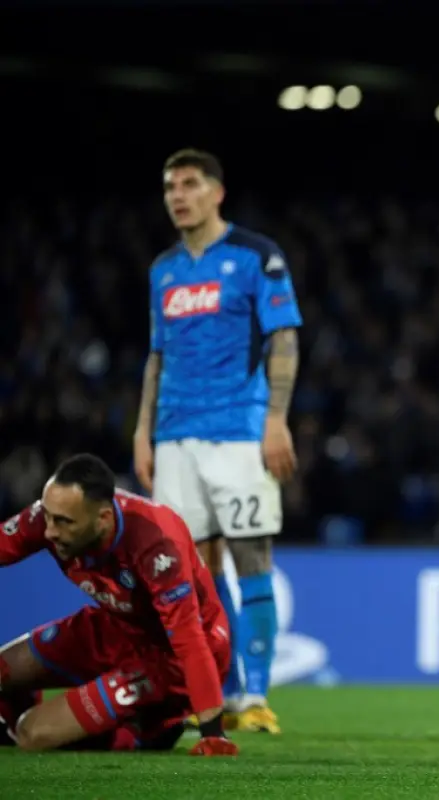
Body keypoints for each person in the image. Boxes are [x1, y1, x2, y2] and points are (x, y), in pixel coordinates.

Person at [132, 148, 303, 733]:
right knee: (195, 571)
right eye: (169, 187)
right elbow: (157, 355)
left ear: (216, 192)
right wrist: (142, 432)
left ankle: (255, 695)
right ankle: (221, 691)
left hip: (238, 429)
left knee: (251, 554)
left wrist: (275, 419)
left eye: (188, 184)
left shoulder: (256, 256)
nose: (177, 195)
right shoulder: (164, 270)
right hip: (175, 434)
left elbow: (283, 339)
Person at [0, 454, 236, 756]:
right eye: (47, 516)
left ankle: (142, 731)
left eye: (63, 522)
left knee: (32, 733)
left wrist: (213, 734)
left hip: (169, 658)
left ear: (104, 519)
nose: (49, 532)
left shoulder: (155, 541)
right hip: (116, 628)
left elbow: (189, 639)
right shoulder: (52, 517)